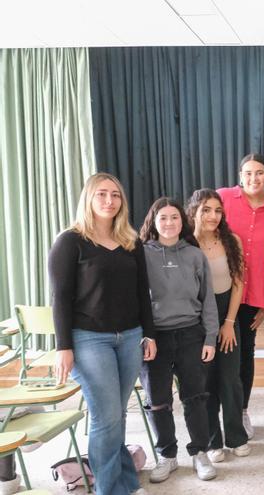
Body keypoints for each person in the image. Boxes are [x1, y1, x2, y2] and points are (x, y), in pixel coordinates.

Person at [49, 172, 157, 495]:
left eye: (115, 195)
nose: (109, 201)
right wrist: (63, 346)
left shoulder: (131, 241)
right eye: (101, 194)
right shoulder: (70, 241)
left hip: (129, 337)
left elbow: (143, 292)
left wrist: (148, 334)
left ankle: (124, 481)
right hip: (88, 339)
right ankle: (110, 490)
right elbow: (60, 298)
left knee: (117, 415)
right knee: (106, 416)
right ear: (88, 198)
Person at [139, 197, 219, 483]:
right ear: (154, 222)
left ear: (182, 222)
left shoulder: (195, 256)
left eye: (175, 217)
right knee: (157, 400)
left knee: (195, 398)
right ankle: (167, 455)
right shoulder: (141, 254)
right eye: (163, 218)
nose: (169, 223)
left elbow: (207, 299)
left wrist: (210, 337)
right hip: (154, 339)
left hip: (190, 334)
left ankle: (200, 453)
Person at [217, 153, 264, 439]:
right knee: (221, 356)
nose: (253, 178)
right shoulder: (222, 199)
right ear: (240, 176)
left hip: (253, 295)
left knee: (245, 354)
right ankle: (219, 413)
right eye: (248, 173)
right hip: (218, 291)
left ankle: (241, 411)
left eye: (259, 173)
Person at [187, 189, 251, 463]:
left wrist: (228, 323)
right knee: (206, 383)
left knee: (230, 380)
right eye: (206, 210)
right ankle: (213, 441)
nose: (213, 216)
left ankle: (236, 436)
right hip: (197, 320)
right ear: (194, 211)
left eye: (218, 211)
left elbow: (238, 283)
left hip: (227, 316)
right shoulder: (186, 243)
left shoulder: (231, 240)